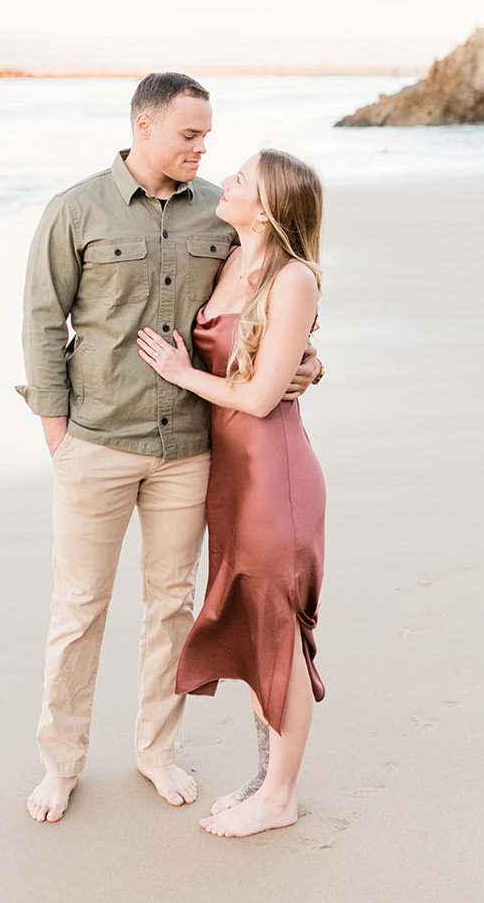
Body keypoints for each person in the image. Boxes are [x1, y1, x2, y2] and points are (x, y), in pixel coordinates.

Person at [17, 74, 320, 823]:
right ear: (143, 127)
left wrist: (307, 364)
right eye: (188, 134)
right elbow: (40, 322)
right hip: (96, 443)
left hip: (189, 448)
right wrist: (57, 431)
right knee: (78, 610)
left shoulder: (220, 214)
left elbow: (268, 300)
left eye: (207, 135)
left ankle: (155, 751)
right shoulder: (74, 210)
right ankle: (60, 765)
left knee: (171, 607)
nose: (202, 148)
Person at [137, 147, 326, 838]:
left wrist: (180, 375)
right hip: (232, 478)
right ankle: (262, 779)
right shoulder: (228, 257)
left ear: (269, 206)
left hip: (274, 478)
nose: (227, 181)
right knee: (254, 633)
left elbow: (258, 395)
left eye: (242, 179)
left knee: (282, 639)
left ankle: (280, 796)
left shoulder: (292, 278)